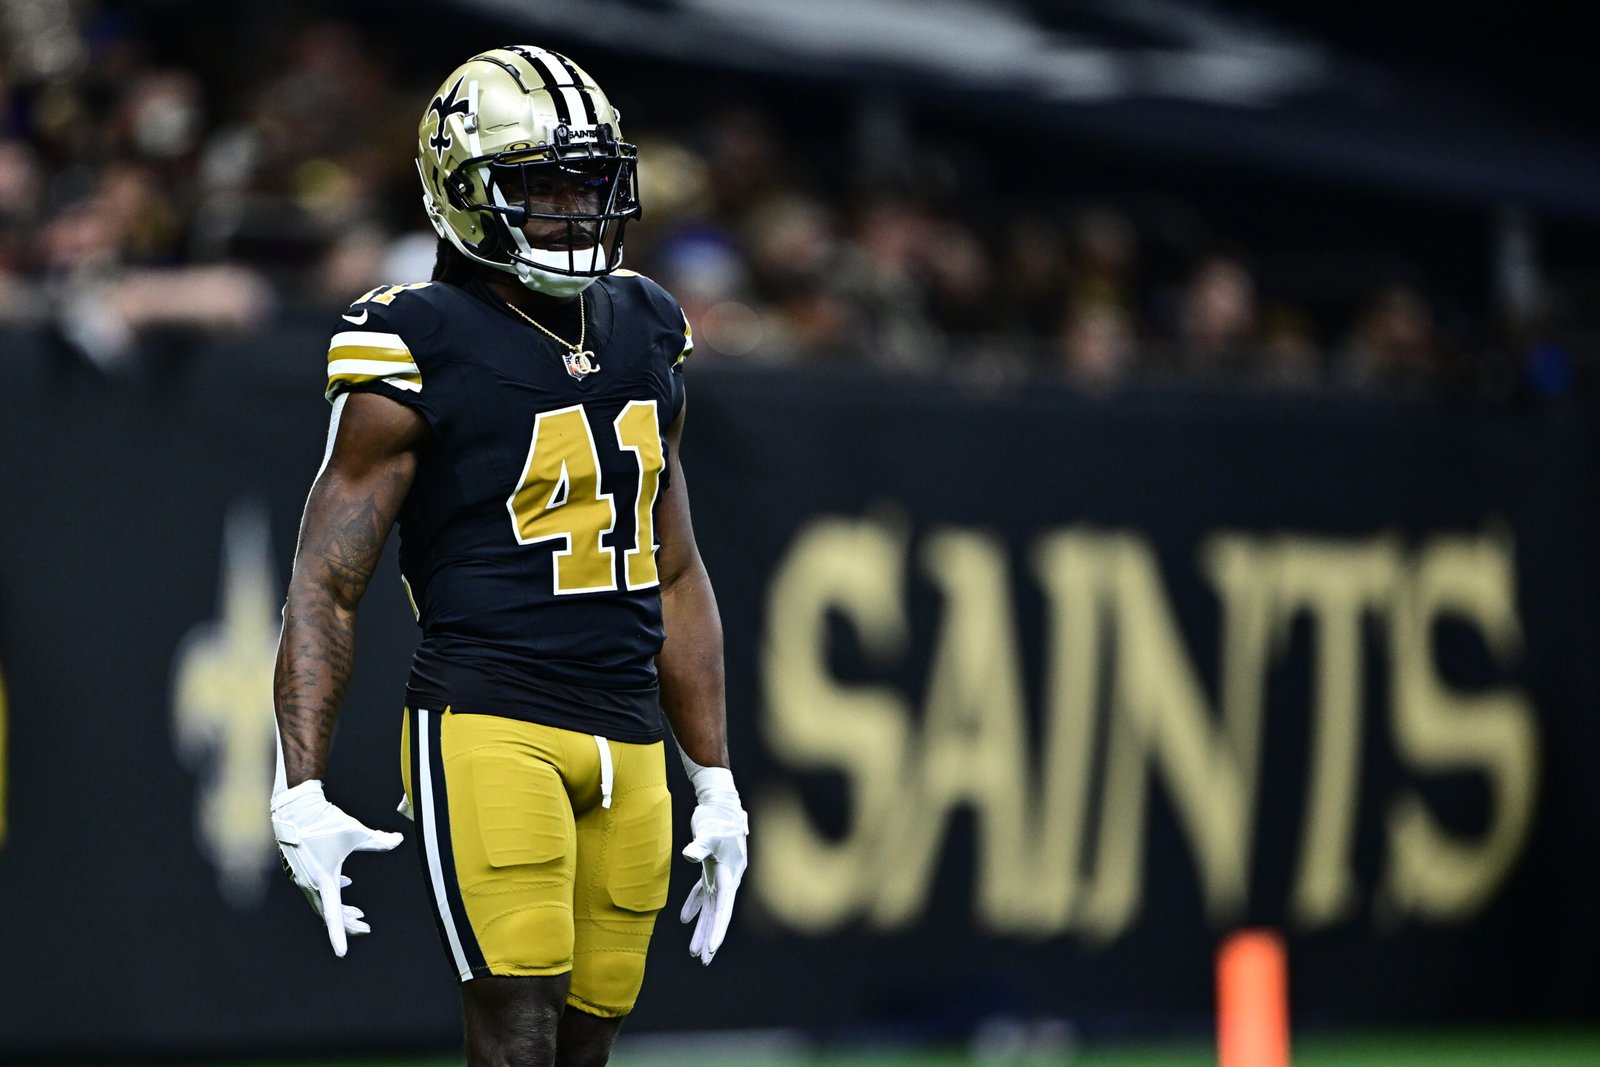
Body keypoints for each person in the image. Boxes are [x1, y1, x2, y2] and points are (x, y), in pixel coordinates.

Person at [268, 45, 748, 1067]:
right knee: (515, 1033)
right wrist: (298, 780)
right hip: (492, 718)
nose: (573, 210)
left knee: (588, 1040)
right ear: (460, 190)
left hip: (627, 734)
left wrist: (714, 774)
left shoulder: (646, 322)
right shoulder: (417, 335)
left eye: (588, 182)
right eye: (539, 185)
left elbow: (674, 565)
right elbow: (328, 577)